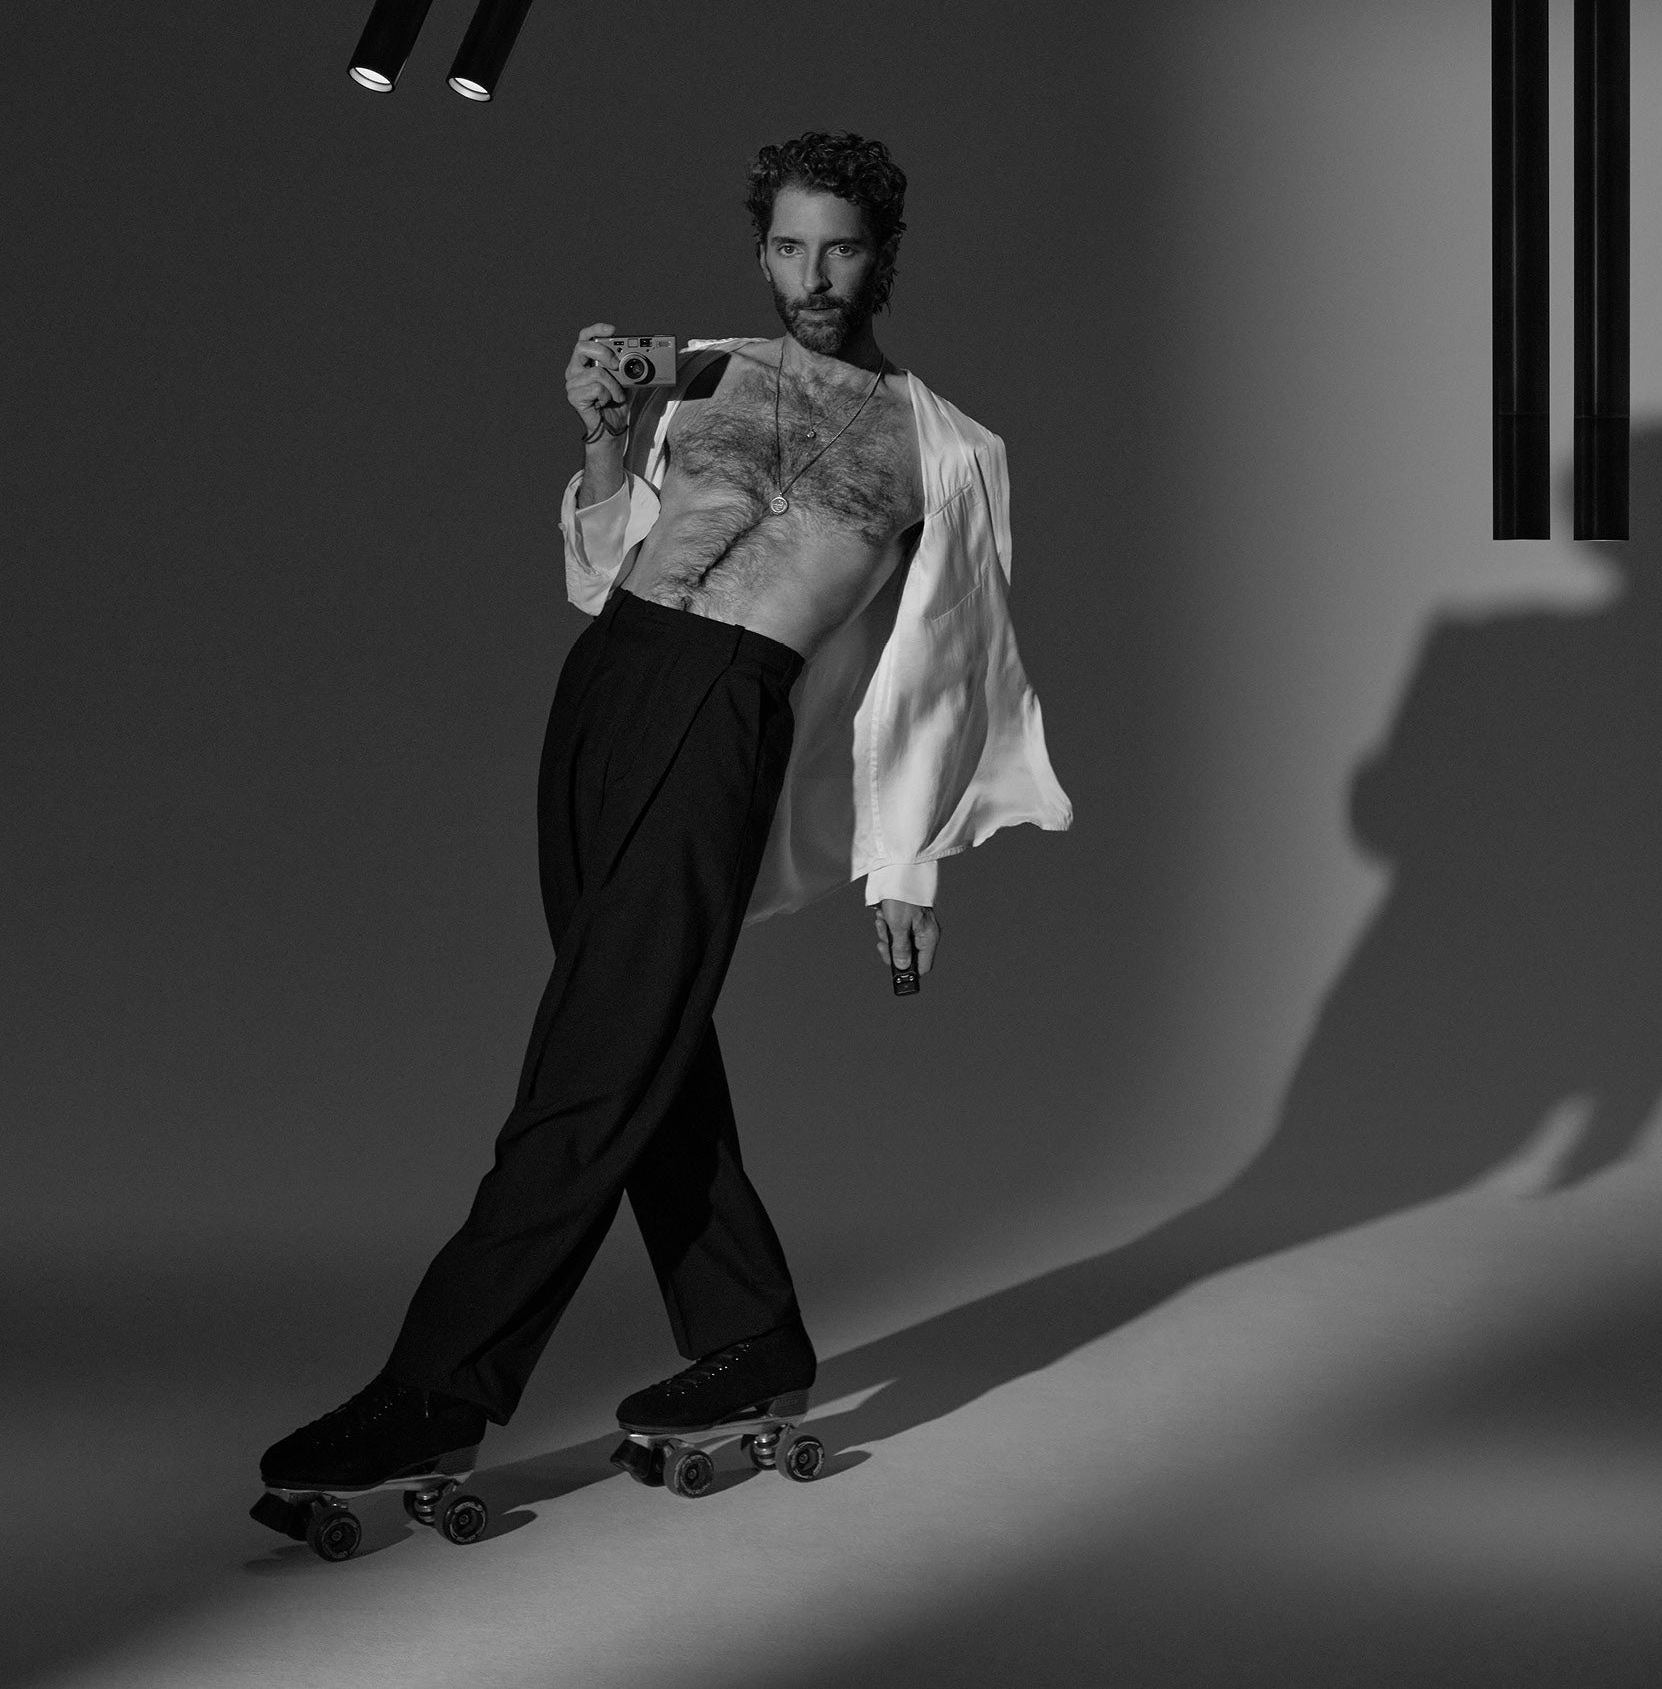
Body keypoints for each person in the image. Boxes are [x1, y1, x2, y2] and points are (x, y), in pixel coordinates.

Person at [256, 131, 1070, 1513]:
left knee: (590, 1063)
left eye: (843, 249)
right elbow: (602, 564)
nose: (813, 276)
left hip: (726, 716)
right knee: (638, 1040)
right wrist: (603, 436)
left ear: (885, 253)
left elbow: (951, 662)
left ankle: (439, 1385)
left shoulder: (951, 451)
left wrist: (907, 867)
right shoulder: (694, 371)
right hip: (606, 688)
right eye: (790, 247)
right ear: (764, 248)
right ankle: (750, 1333)